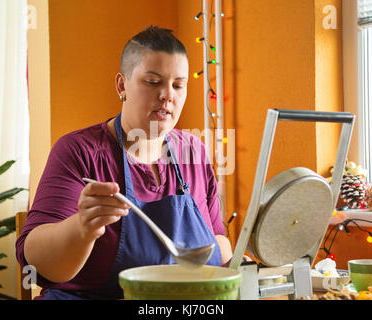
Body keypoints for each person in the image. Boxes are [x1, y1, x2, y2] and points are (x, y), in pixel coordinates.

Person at [16, 25, 233, 300]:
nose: (168, 95)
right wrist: (82, 227)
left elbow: (219, 244)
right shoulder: (79, 151)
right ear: (122, 85)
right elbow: (33, 263)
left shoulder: (194, 151)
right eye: (153, 82)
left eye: (178, 85)